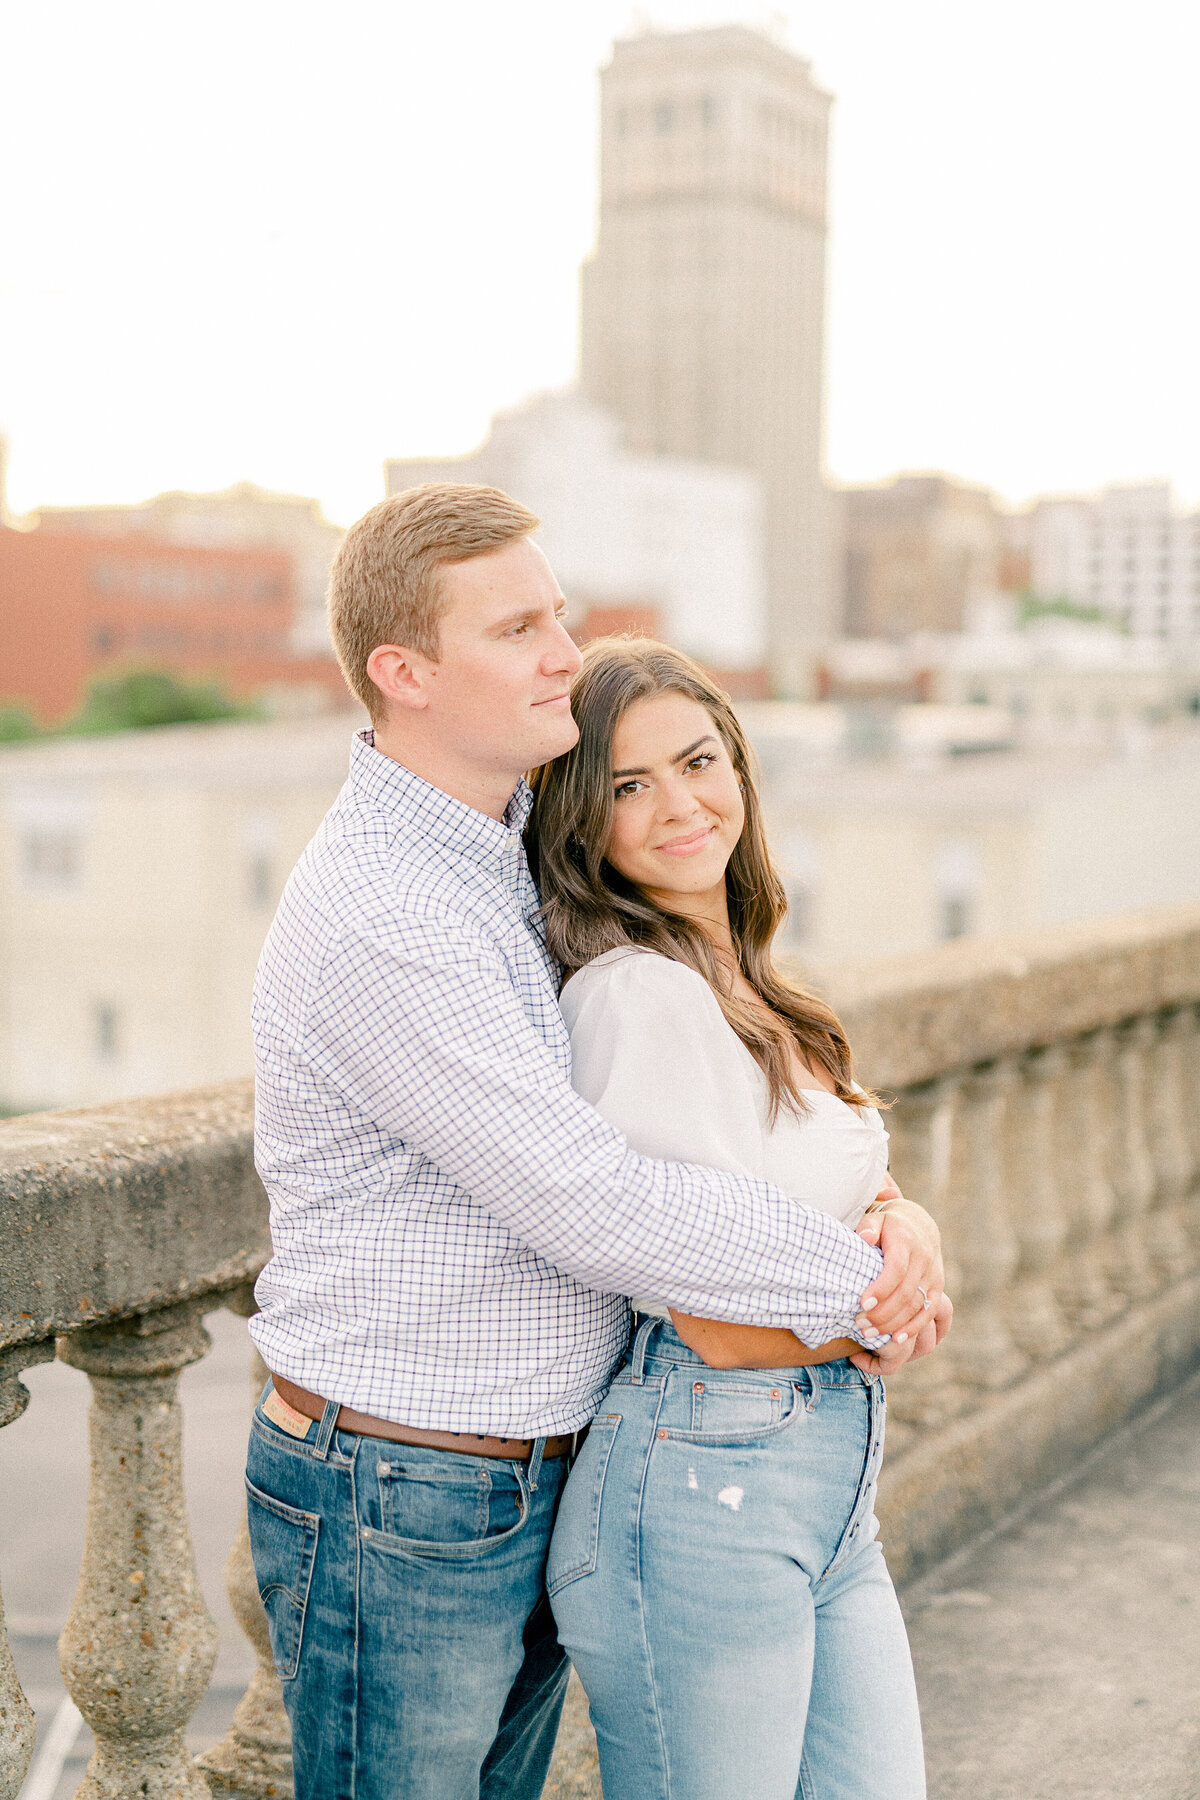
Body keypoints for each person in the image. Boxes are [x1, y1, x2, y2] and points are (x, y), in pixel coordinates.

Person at [244, 483, 946, 1800]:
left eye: (557, 616)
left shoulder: (505, 848)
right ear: (405, 672)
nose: (565, 652)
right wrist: (865, 1289)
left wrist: (890, 1215)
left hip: (528, 1466)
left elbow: (745, 1125)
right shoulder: (389, 908)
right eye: (519, 628)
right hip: (405, 1490)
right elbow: (590, 1200)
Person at [532, 638, 944, 1800]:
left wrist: (909, 1228)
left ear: (741, 768)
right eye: (627, 785)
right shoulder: (635, 997)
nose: (679, 804)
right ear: (583, 821)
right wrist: (882, 1327)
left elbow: (829, 1190)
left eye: (698, 760)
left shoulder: (751, 981)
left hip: (821, 1486)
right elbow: (710, 1310)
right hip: (701, 1488)